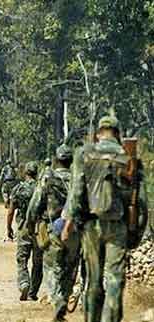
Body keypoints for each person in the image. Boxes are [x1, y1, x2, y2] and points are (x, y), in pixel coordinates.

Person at [62, 115, 149, 322]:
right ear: (117, 134)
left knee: (93, 280)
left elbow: (76, 193)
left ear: (99, 133)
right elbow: (142, 202)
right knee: (114, 280)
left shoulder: (85, 154)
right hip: (117, 226)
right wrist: (136, 233)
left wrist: (69, 224)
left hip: (91, 225)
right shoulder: (128, 157)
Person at [26, 145, 78, 322]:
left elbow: (35, 205)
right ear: (71, 161)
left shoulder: (48, 178)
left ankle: (57, 301)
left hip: (53, 230)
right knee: (70, 268)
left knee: (52, 268)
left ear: (57, 159)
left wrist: (30, 223)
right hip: (74, 230)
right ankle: (65, 296)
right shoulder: (78, 179)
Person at [6, 161, 42, 301]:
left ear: (26, 173)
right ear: (36, 173)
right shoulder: (41, 188)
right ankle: (33, 291)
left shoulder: (18, 189)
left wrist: (8, 227)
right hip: (39, 229)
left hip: (23, 228)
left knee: (22, 259)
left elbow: (10, 211)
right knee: (38, 262)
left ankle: (24, 282)